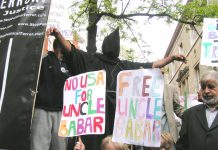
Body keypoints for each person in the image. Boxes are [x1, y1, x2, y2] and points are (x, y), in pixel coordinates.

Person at [47, 27, 187, 150]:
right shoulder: (92, 60)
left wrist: (172, 58)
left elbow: (153, 65)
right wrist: (58, 35)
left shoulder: (124, 65)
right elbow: (71, 51)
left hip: (119, 115)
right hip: (98, 113)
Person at [30, 39, 70, 150]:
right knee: (38, 146)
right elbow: (35, 52)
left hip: (62, 113)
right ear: (56, 47)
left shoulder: (70, 64)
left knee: (60, 147)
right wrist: (44, 36)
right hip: (43, 110)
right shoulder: (45, 59)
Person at [176, 70, 218, 150]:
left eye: (211, 87)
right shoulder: (189, 114)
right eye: (203, 87)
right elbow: (182, 145)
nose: (206, 91)